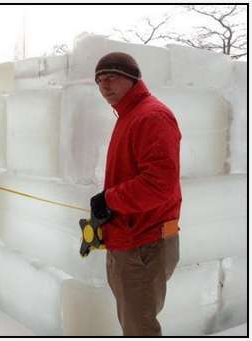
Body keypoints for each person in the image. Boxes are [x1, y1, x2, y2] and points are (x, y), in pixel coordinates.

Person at [90, 52, 182, 336]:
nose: (105, 86)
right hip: (130, 237)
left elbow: (159, 183)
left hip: (144, 242)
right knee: (135, 321)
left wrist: (110, 199)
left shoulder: (150, 116)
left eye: (112, 77)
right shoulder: (130, 114)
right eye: (100, 80)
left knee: (139, 328)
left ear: (133, 79)